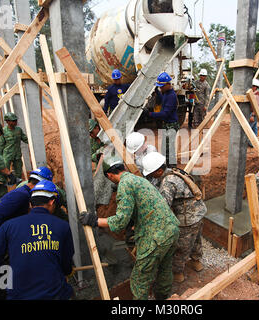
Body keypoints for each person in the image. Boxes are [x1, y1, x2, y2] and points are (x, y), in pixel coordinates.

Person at [79, 154, 180, 300]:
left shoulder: (125, 185)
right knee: (164, 267)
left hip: (157, 237)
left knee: (139, 279)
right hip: (172, 229)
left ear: (109, 175)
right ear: (123, 167)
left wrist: (94, 220)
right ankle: (163, 297)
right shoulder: (137, 179)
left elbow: (120, 221)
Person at [0, 180, 75, 300]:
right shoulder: (63, 226)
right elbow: (66, 266)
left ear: (30, 204)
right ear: (52, 202)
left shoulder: (9, 226)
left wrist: (9, 279)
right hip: (55, 295)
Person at [142, 152, 207, 283]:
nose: (151, 176)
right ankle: (196, 262)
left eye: (152, 173)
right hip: (199, 212)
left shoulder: (168, 182)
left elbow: (164, 207)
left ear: (160, 170)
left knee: (181, 246)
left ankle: (178, 273)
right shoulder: (174, 172)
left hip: (188, 218)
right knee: (196, 239)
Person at [148, 72, 179, 167]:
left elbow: (165, 114)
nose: (160, 88)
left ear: (168, 84)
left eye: (161, 86)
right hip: (167, 124)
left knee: (169, 149)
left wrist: (150, 114)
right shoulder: (166, 93)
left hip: (171, 125)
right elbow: (162, 99)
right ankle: (168, 166)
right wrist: (157, 91)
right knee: (165, 147)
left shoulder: (171, 96)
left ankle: (172, 168)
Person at [0, 112, 28, 179]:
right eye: (13, 121)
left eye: (15, 120)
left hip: (17, 155)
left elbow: (25, 139)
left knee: (19, 172)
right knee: (5, 172)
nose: (15, 122)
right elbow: (0, 145)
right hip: (7, 155)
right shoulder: (3, 131)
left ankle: (18, 186)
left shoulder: (18, 130)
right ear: (7, 122)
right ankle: (5, 185)